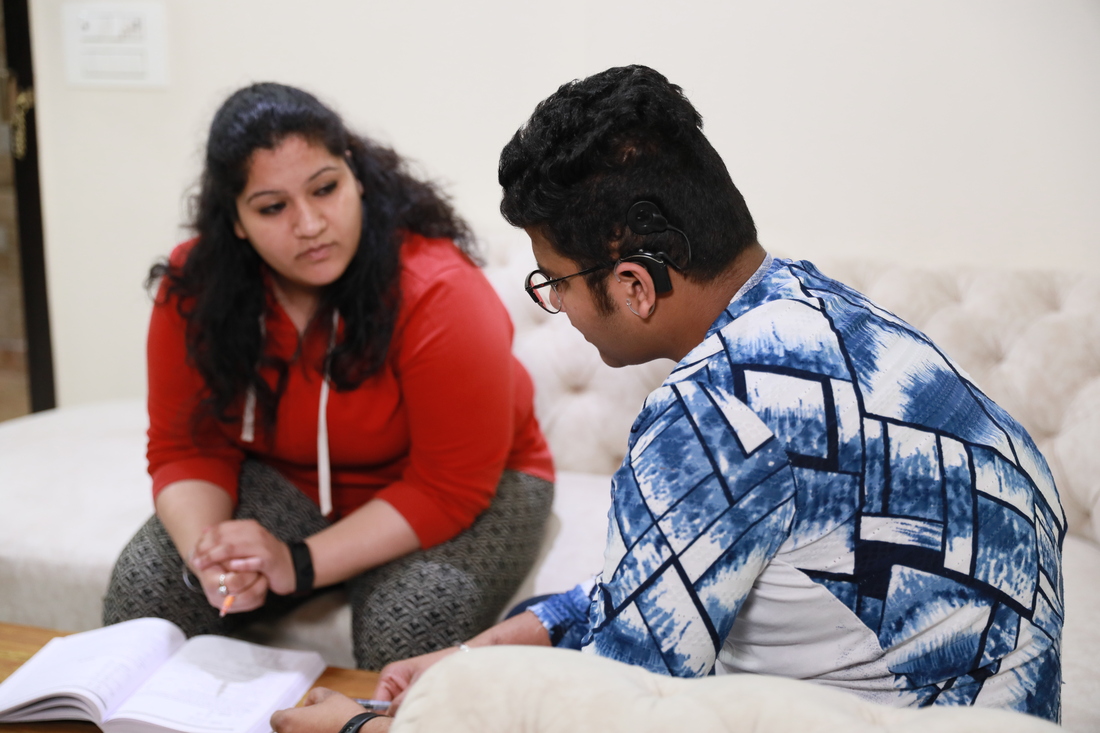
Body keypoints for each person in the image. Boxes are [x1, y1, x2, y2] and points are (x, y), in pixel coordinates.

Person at [271, 65, 1064, 733]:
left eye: (553, 282)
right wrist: (485, 651)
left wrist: (361, 725)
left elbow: (615, 712)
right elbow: (661, 579)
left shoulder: (709, 415)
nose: (560, 309)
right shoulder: (837, 315)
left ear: (635, 285)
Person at [102, 82, 555, 671]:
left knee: (406, 637)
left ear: (356, 175)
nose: (311, 223)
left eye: (326, 188)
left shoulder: (438, 290)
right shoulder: (197, 290)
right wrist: (209, 554)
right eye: (272, 207)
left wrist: (298, 562)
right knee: (149, 591)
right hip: (295, 478)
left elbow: (450, 486)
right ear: (235, 219)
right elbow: (188, 446)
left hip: (476, 483)